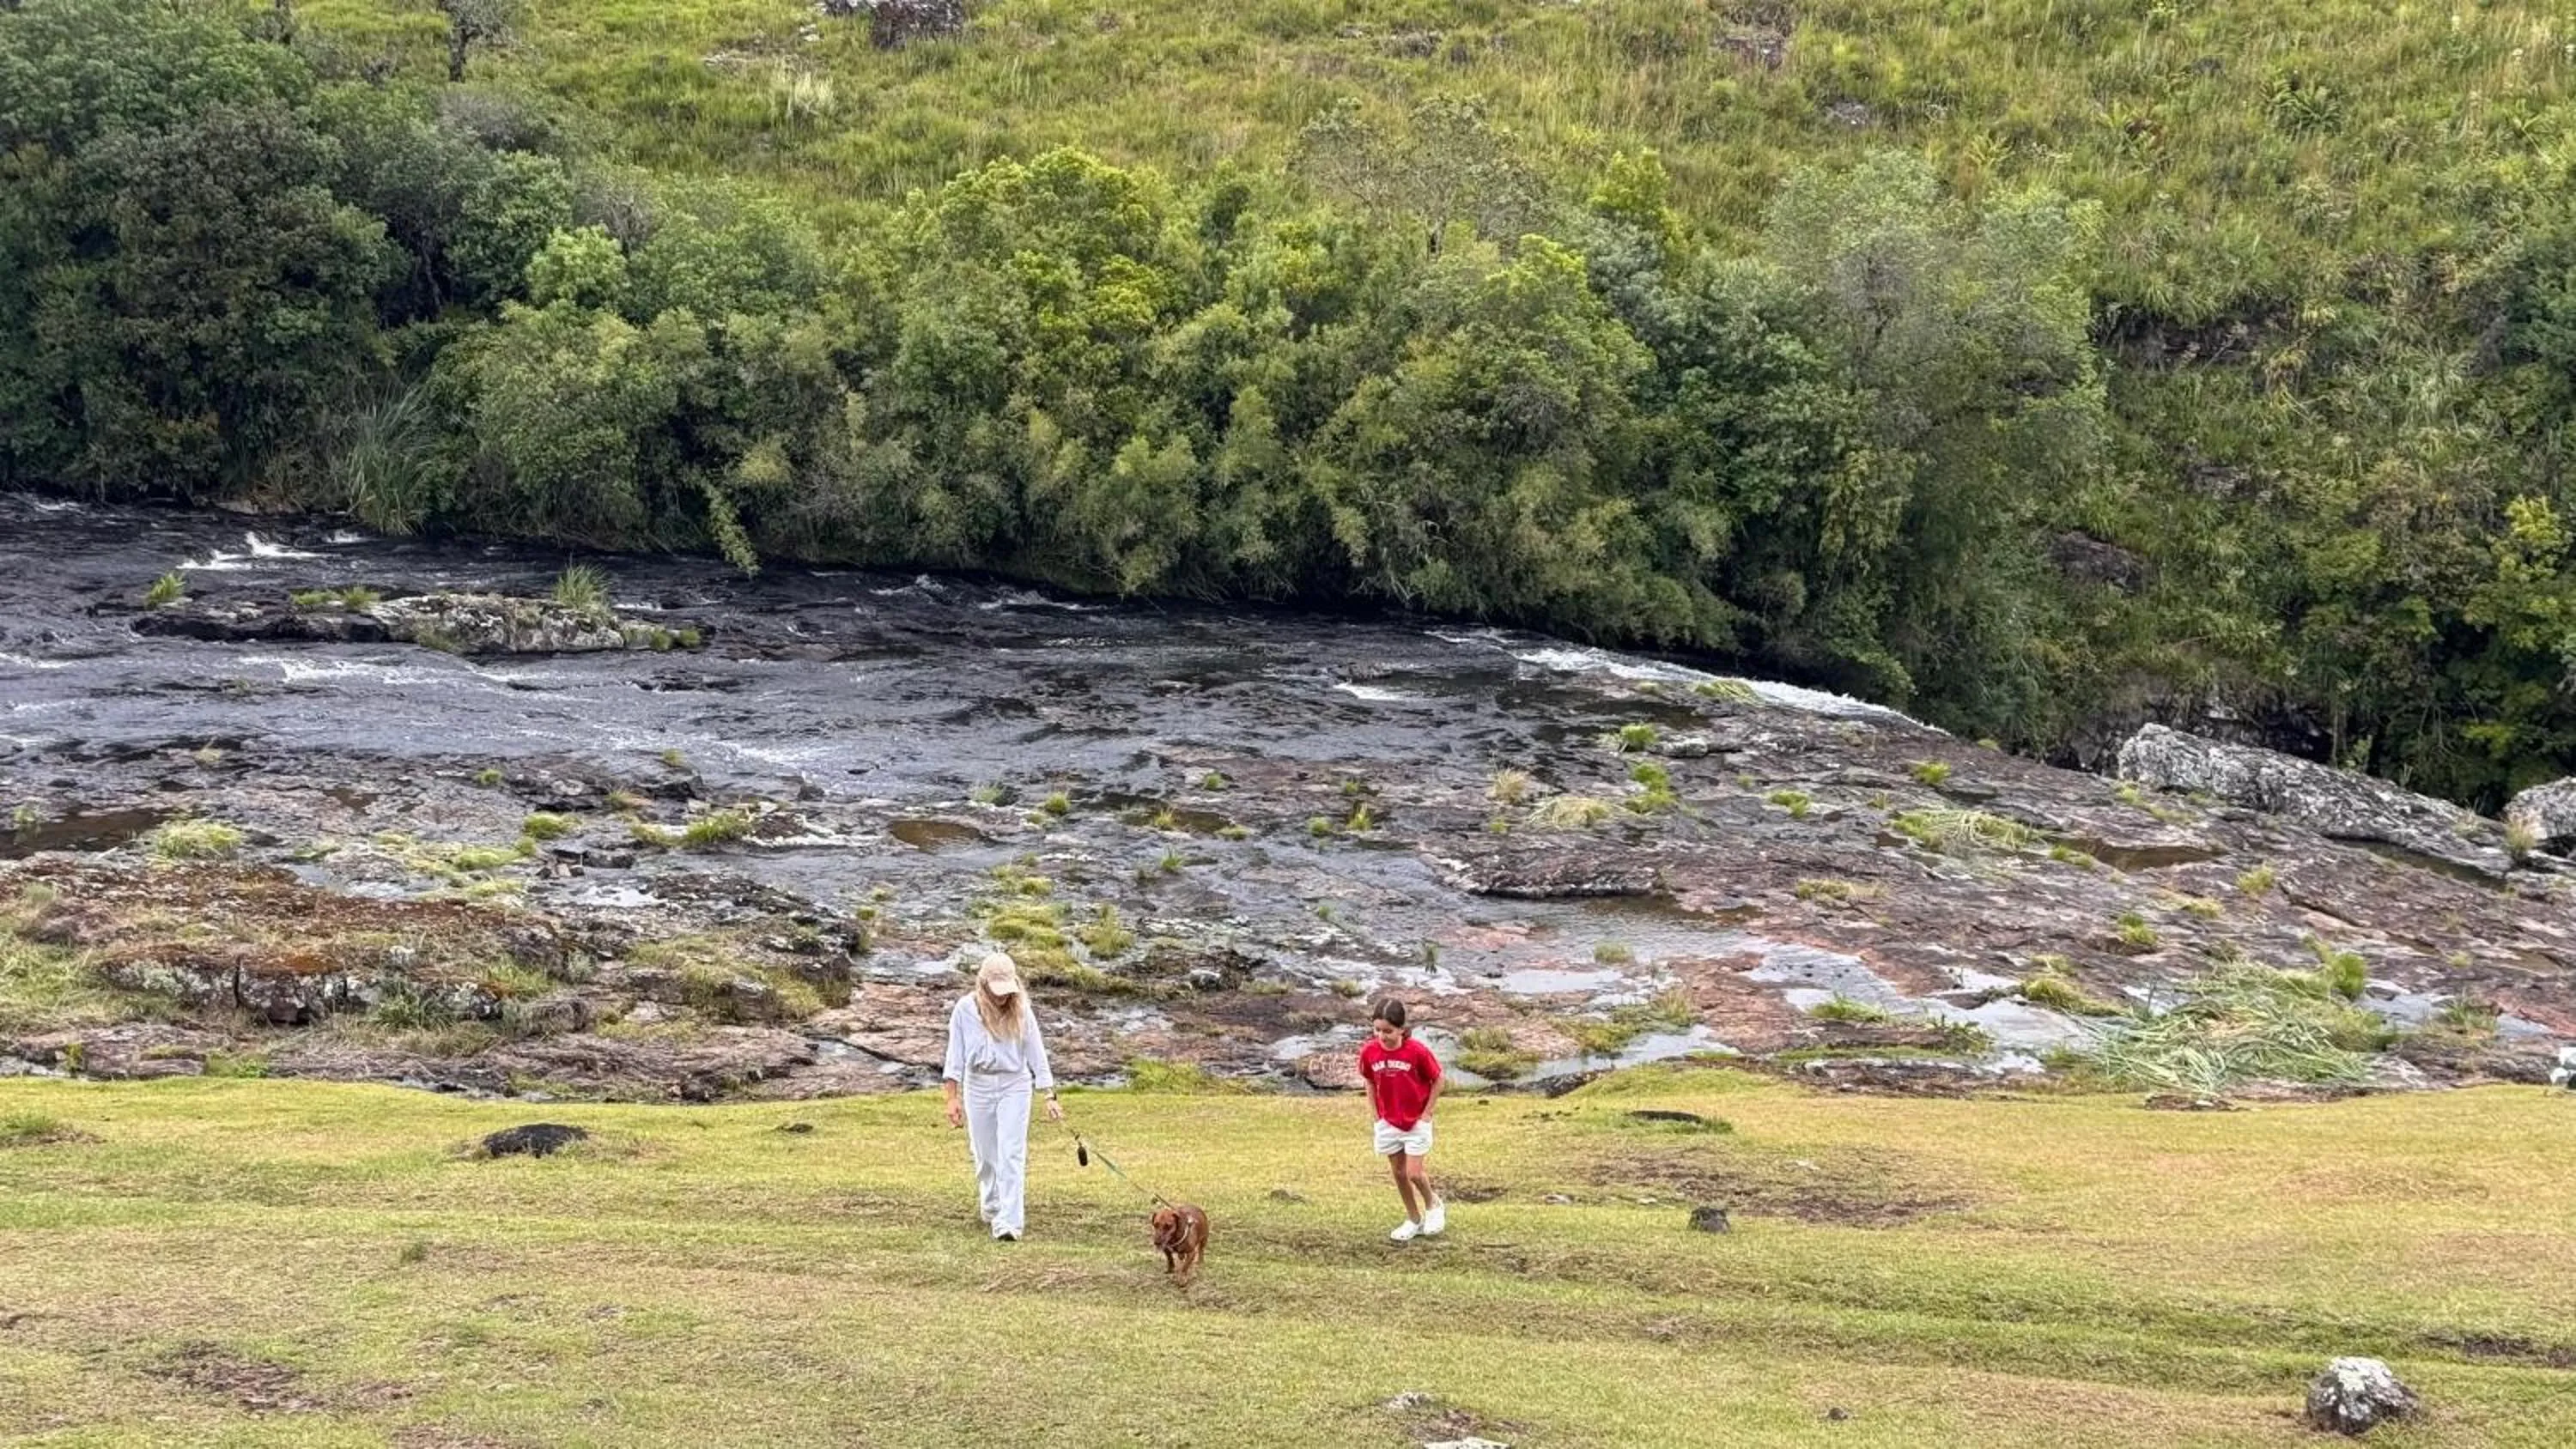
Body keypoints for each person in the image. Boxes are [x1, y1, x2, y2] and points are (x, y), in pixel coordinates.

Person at [941, 952, 1063, 1241]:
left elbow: (1036, 1053)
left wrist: (1049, 1095)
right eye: (996, 992)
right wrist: (952, 1097)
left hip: (1014, 1084)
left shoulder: (1022, 1011)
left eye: (1006, 992)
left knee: (1011, 1152)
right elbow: (954, 1057)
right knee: (984, 1153)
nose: (1001, 998)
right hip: (978, 1083)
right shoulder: (964, 1010)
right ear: (983, 984)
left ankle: (1009, 1222)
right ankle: (992, 1203)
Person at [1359, 997, 1444, 1242]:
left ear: (1402, 1030)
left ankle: (1433, 1205)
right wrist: (1375, 1115)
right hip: (1388, 1121)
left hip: (1416, 1120)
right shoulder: (1369, 1051)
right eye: (1377, 1030)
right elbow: (1369, 1080)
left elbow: (1438, 1079)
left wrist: (1427, 1112)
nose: (1382, 1036)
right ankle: (1413, 1219)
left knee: (1414, 1173)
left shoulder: (1417, 1051)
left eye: (1388, 1031)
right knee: (1398, 1173)